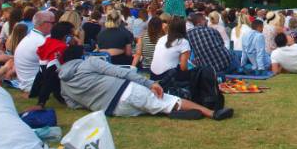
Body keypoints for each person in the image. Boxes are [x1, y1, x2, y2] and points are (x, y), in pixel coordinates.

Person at [59, 45, 232, 120]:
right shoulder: (89, 63)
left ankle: (173, 112)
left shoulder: (63, 86)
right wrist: (148, 83)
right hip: (123, 91)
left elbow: (74, 105)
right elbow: (119, 72)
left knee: (153, 106)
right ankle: (211, 113)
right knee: (169, 100)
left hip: (113, 109)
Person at [13, 10, 54, 92]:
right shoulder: (41, 41)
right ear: (45, 23)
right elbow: (54, 66)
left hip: (26, 82)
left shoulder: (32, 36)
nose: (54, 26)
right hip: (34, 85)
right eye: (53, 23)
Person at [150, 16, 190, 80]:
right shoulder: (183, 42)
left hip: (153, 74)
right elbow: (183, 67)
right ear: (183, 28)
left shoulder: (161, 38)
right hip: (167, 76)